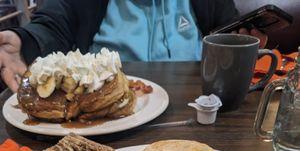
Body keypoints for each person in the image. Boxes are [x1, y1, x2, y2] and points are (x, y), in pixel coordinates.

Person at [0, 0, 267, 92]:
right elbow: (51, 23)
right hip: (104, 121)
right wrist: (24, 43)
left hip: (197, 109)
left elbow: (228, 26)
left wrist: (241, 41)